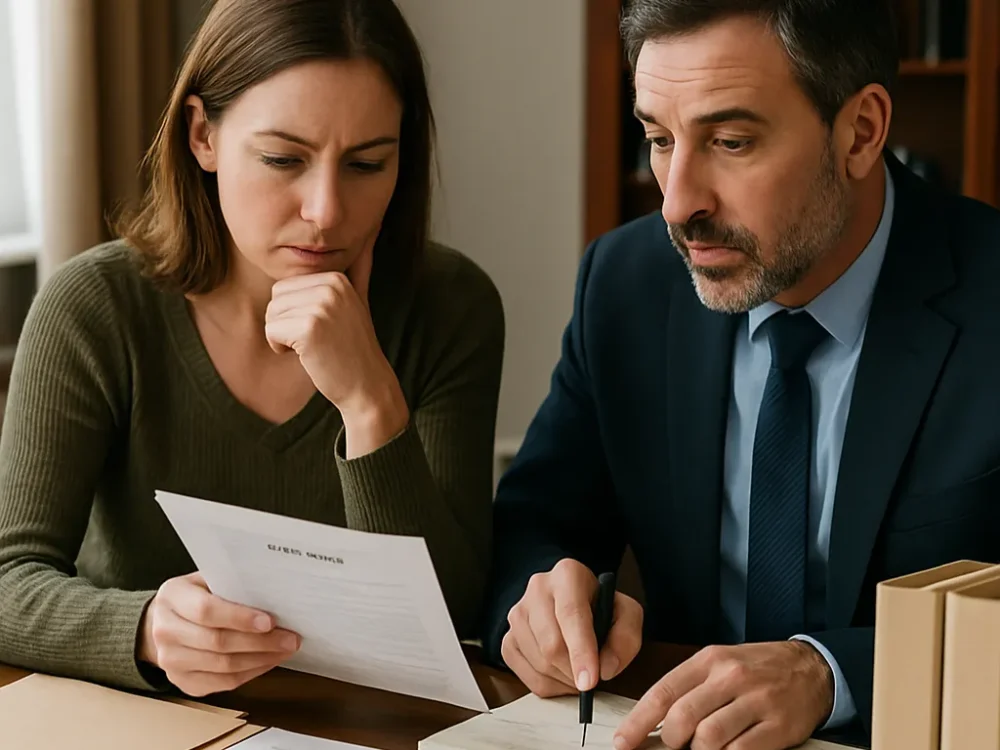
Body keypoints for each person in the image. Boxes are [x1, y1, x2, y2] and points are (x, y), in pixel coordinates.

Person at [481, 1, 1000, 748]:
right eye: (659, 140)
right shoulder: (625, 285)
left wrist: (831, 674)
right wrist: (540, 608)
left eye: (730, 142)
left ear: (861, 132)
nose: (677, 202)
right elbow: (535, 526)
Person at [0, 0, 504, 699]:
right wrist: (145, 630)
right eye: (282, 159)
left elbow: (453, 616)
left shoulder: (450, 307)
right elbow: (8, 580)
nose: (326, 211)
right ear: (202, 135)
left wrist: (369, 402)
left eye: (366, 164)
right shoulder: (94, 306)